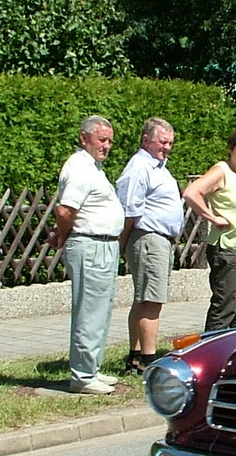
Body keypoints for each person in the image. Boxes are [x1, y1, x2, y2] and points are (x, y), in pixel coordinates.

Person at [47, 115, 125, 394]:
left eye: (110, 141)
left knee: (100, 310)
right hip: (90, 245)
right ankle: (82, 375)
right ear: (84, 138)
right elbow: (65, 210)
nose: (107, 146)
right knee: (90, 310)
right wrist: (64, 234)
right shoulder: (80, 167)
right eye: (102, 139)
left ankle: (91, 369)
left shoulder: (93, 167)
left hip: (103, 245)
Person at [115, 117, 182, 376]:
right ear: (146, 140)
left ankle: (136, 356)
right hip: (148, 238)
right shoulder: (139, 167)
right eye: (162, 142)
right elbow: (129, 211)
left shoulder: (159, 167)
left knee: (143, 299)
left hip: (159, 239)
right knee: (151, 300)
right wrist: (122, 245)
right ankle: (148, 360)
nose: (167, 147)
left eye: (170, 143)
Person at [184, 126, 236, 332]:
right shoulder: (222, 170)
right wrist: (211, 217)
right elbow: (191, 193)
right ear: (231, 149)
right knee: (225, 307)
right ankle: (209, 352)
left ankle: (234, 352)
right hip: (229, 249)